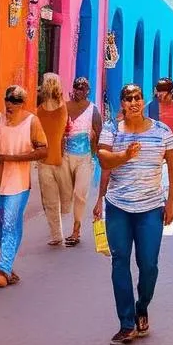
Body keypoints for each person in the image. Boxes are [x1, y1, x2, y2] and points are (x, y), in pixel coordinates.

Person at [95, 83, 173, 345]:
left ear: (143, 101)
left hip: (151, 208)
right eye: (128, 98)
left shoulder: (161, 131)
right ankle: (127, 323)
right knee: (120, 261)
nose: (133, 102)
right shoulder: (111, 130)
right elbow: (104, 160)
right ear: (122, 103)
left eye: (137, 97)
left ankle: (142, 306)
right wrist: (124, 155)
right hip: (119, 207)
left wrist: (172, 201)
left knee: (149, 265)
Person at [0, 85, 48, 287]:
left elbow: (43, 150)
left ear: (23, 103)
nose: (11, 104)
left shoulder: (32, 121)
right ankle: (8, 267)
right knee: (0, 225)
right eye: (8, 99)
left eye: (16, 100)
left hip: (19, 182)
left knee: (11, 223)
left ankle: (2, 269)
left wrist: (11, 158)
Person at [65, 76, 102, 247]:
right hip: (65, 157)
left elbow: (99, 134)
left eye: (83, 88)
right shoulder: (65, 107)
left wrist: (98, 157)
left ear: (88, 91)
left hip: (85, 158)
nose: (79, 91)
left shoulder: (93, 110)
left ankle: (76, 230)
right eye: (77, 88)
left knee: (79, 194)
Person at [36, 72, 72, 247]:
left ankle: (57, 234)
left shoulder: (39, 111)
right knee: (65, 197)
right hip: (60, 159)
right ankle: (69, 228)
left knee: (50, 201)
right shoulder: (63, 108)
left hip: (44, 161)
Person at [147, 77, 173, 204]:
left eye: (163, 91)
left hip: (172, 151)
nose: (159, 94)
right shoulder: (150, 108)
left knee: (168, 186)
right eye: (158, 91)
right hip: (154, 152)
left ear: (171, 92)